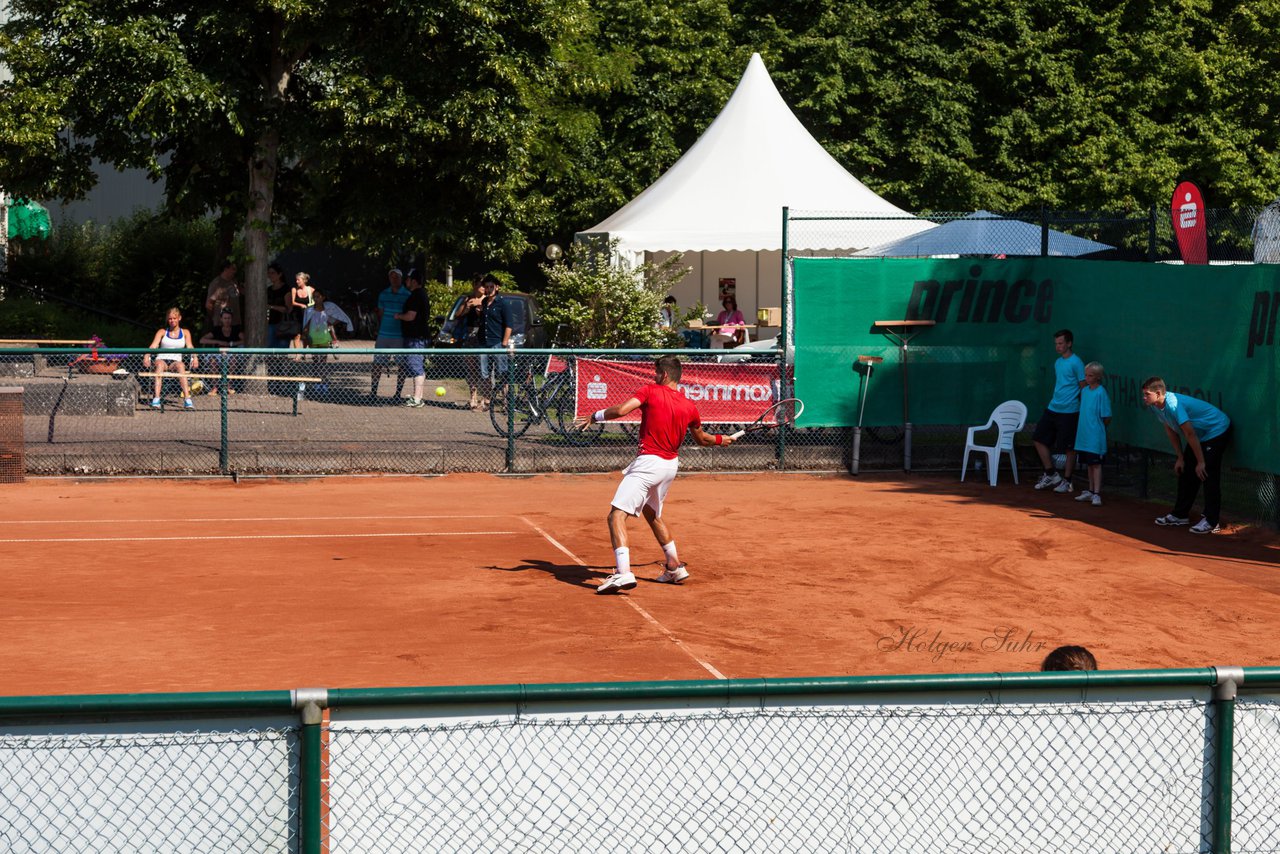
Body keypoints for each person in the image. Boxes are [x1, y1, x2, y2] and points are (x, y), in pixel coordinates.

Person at [574, 355, 737, 594]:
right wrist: (723, 440)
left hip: (648, 464)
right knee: (652, 514)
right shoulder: (689, 406)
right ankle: (674, 566)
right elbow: (702, 439)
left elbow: (621, 410)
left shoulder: (650, 391)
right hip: (670, 467)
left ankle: (623, 574)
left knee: (616, 516)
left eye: (656, 372)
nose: (654, 376)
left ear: (665, 375)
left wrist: (594, 416)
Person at [1143, 377, 1233, 534]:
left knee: (1207, 473)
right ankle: (1180, 515)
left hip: (1216, 429)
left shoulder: (1173, 404)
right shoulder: (1155, 405)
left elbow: (1189, 433)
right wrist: (1180, 457)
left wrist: (1201, 462)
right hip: (1200, 435)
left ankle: (1212, 521)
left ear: (1158, 393)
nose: (1144, 398)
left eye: (1146, 394)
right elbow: (1170, 429)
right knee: (1185, 471)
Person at [1032, 329, 1086, 493]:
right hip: (1053, 408)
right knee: (1038, 439)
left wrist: (1083, 410)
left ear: (1069, 343)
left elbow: (1083, 387)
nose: (1058, 346)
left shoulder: (1077, 363)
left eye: (1061, 343)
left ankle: (1067, 481)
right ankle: (1051, 474)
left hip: (1070, 411)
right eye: (1056, 343)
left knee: (1069, 448)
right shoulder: (1058, 362)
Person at [142, 307, 199, 410]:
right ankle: (156, 399)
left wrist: (195, 358)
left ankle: (187, 400)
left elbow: (190, 346)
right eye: (170, 319)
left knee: (181, 366)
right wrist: (147, 356)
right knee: (159, 365)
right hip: (162, 360)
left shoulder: (185, 332)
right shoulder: (162, 332)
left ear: (179, 318)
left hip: (175, 362)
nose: (172, 321)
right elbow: (153, 345)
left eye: (174, 318)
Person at [1072, 361, 1112, 507]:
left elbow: (1107, 417)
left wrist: (1097, 428)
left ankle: (1097, 494)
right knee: (1089, 464)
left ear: (1098, 377)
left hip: (1095, 437)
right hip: (1083, 436)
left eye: (1090, 375)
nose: (1087, 378)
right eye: (1086, 375)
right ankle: (1090, 491)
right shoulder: (1084, 391)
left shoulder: (1101, 392)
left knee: (1096, 465)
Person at [394, 268, 430, 407]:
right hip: (417, 336)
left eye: (408, 279)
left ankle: (417, 399)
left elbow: (411, 316)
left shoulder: (416, 295)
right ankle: (417, 396)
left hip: (416, 338)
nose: (406, 282)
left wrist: (398, 316)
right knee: (417, 365)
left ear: (414, 281)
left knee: (416, 366)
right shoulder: (420, 294)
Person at [372, 268, 409, 399]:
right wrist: (379, 329)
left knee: (401, 365)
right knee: (377, 363)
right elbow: (380, 314)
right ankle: (373, 391)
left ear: (401, 278)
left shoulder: (407, 294)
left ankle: (398, 393)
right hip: (384, 334)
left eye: (397, 277)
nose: (394, 279)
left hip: (399, 336)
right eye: (392, 277)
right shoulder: (383, 294)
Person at [478, 274, 515, 402]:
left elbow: (509, 325)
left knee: (503, 373)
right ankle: (487, 399)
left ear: (497, 287)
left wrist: (504, 343)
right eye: (486, 287)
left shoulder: (503, 303)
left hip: (497, 342)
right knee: (484, 373)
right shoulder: (484, 302)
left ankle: (506, 401)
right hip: (484, 342)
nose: (489, 289)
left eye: (491, 287)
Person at [199, 308, 243, 395]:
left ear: (232, 319)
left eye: (229, 318)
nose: (227, 320)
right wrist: (218, 341)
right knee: (213, 361)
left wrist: (231, 344)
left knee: (233, 360)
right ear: (221, 319)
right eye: (225, 318)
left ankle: (228, 386)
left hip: (231, 354)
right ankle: (214, 387)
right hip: (218, 354)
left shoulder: (236, 330)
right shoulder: (216, 330)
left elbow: (246, 340)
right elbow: (202, 340)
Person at [205, 261, 242, 329]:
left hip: (235, 323)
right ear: (226, 269)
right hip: (221, 324)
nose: (235, 271)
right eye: (233, 269)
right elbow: (209, 305)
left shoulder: (234, 282)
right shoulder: (216, 284)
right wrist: (215, 317)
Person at [286, 272, 316, 351]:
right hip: (296, 316)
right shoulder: (294, 289)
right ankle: (297, 354)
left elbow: (317, 300)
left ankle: (304, 352)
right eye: (296, 280)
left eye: (298, 280)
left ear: (304, 280)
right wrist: (301, 305)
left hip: (307, 315)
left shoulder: (311, 290)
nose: (297, 282)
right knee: (297, 336)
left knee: (306, 335)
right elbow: (293, 302)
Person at [266, 262, 291, 349]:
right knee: (269, 348)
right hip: (269, 324)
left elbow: (288, 308)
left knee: (282, 348)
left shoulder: (286, 289)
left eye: (272, 273)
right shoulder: (268, 290)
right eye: (269, 273)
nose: (270, 275)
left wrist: (271, 307)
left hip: (282, 324)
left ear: (279, 274)